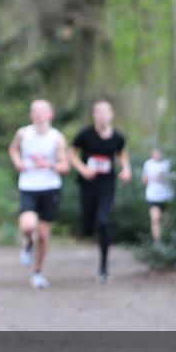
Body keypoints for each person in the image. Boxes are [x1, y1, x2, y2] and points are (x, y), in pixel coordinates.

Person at [68, 99, 131, 282]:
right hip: (87, 185)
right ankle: (88, 230)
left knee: (104, 221)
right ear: (94, 115)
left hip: (107, 185)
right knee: (87, 225)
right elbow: (71, 153)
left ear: (111, 115)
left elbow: (122, 154)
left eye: (106, 112)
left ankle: (103, 268)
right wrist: (83, 169)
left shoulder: (117, 137)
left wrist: (126, 169)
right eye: (99, 112)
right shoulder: (85, 134)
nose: (102, 115)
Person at [8, 99, 69, 289]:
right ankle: (27, 242)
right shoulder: (23, 133)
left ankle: (37, 273)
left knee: (43, 235)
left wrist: (49, 165)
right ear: (31, 115)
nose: (39, 115)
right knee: (27, 226)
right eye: (35, 111)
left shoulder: (57, 138)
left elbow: (65, 166)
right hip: (28, 186)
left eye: (43, 111)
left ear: (50, 115)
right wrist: (18, 162)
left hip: (50, 187)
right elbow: (13, 149)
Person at [141, 147, 174, 242]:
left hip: (167, 196)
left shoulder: (167, 163)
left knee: (166, 221)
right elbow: (144, 180)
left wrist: (164, 177)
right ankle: (157, 242)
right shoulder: (148, 164)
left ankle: (167, 241)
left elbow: (175, 178)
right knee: (155, 219)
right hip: (153, 196)